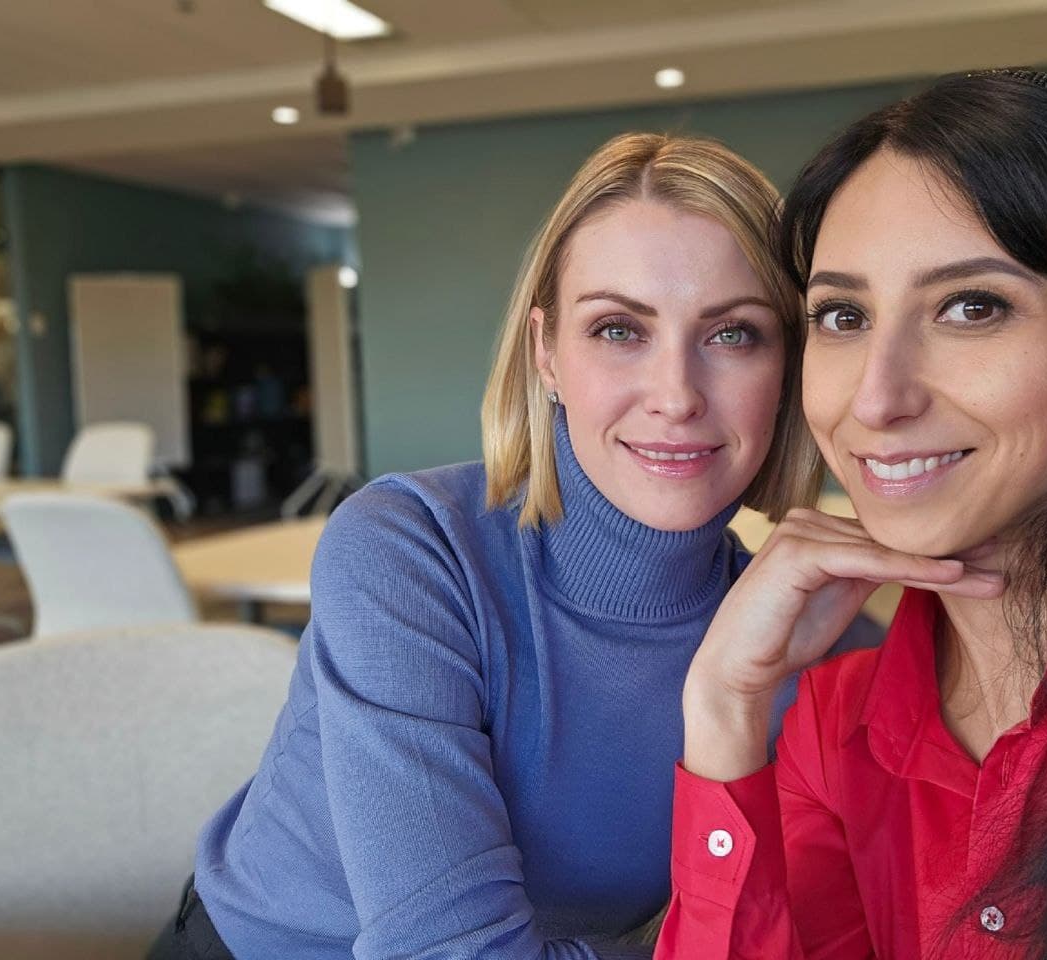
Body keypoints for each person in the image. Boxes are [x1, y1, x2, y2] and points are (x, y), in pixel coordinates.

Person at [148, 132, 880, 960]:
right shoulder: (412, 550)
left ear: (791, 366)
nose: (675, 395)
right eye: (617, 330)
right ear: (547, 354)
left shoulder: (814, 639)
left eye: (735, 334)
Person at [656, 70, 1047, 960]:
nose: (877, 397)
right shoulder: (837, 723)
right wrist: (721, 706)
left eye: (971, 307)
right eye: (841, 316)